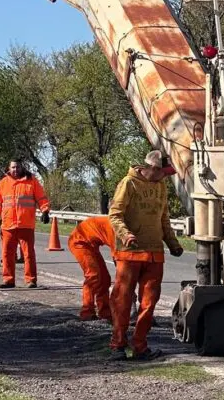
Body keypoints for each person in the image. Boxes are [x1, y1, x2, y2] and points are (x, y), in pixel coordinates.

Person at [108, 150, 183, 361]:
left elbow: (164, 218)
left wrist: (173, 243)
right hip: (129, 253)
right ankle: (118, 345)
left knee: (149, 303)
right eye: (164, 173)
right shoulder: (128, 183)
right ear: (152, 168)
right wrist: (126, 235)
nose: (166, 177)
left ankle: (140, 346)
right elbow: (115, 215)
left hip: (154, 254)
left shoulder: (160, 187)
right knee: (122, 301)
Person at [0, 160, 50, 289]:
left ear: (22, 167)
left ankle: (31, 280)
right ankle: (8, 280)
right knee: (7, 254)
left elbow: (41, 197)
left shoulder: (31, 181)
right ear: (9, 168)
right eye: (13, 167)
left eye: (18, 167)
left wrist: (45, 210)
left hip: (25, 224)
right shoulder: (3, 183)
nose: (15, 169)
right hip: (8, 225)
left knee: (28, 254)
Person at [67, 215, 116, 322]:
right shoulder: (115, 227)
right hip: (79, 241)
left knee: (105, 278)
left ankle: (105, 312)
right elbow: (118, 256)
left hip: (91, 244)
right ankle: (87, 312)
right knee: (93, 276)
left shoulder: (120, 225)